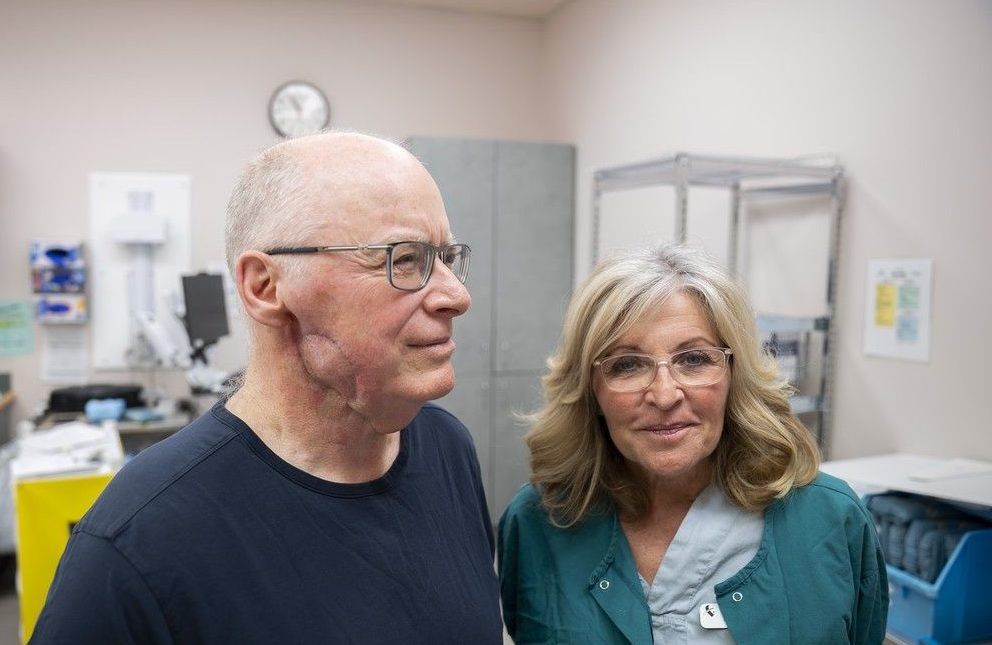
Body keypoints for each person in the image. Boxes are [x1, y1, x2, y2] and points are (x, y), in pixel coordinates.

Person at [31, 132, 503, 644]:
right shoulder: (139, 543)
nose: (457, 295)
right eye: (404, 259)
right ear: (265, 287)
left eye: (448, 257)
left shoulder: (447, 449)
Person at [498, 244, 887, 644]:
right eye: (627, 365)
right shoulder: (537, 524)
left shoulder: (830, 521)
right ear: (590, 388)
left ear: (734, 374)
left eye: (694, 359)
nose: (665, 395)